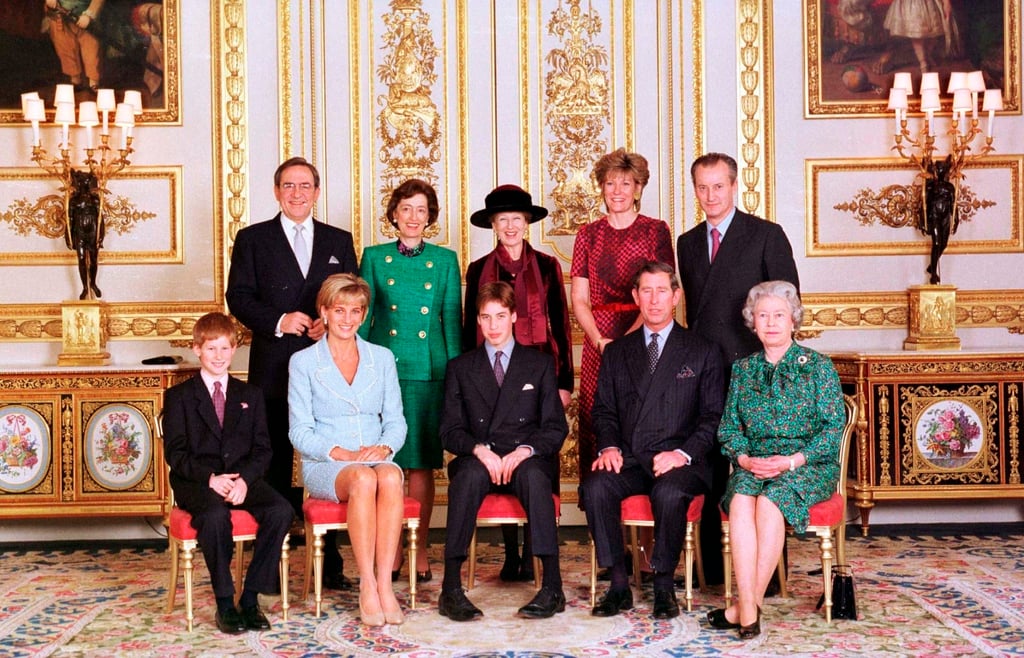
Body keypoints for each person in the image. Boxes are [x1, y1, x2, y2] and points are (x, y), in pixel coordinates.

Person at [226, 156, 358, 591]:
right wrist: (280, 319)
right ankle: (273, 568)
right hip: (274, 367)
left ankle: (332, 565)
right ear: (276, 191)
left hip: (328, 365)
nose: (297, 193)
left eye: (305, 186)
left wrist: (328, 320)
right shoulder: (253, 239)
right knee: (275, 463)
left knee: (328, 457)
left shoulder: (339, 239)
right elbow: (238, 297)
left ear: (317, 193)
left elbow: (350, 294)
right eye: (288, 185)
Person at [676, 151, 799, 588]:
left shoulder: (766, 235)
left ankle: (769, 575)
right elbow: (692, 315)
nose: (710, 195)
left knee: (763, 467)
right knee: (707, 463)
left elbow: (785, 307)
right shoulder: (687, 242)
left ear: (734, 186)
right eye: (702, 187)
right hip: (704, 372)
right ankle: (708, 568)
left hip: (757, 373)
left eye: (718, 186)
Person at [583, 261, 724, 620]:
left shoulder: (702, 350)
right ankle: (617, 585)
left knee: (669, 493)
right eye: (646, 291)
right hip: (630, 457)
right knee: (597, 486)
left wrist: (681, 454)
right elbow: (603, 411)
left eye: (662, 291)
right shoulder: (617, 351)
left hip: (681, 461)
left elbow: (713, 417)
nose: (655, 299)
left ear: (676, 296)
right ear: (635, 297)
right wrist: (609, 446)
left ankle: (663, 585)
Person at [706, 281, 844, 639]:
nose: (770, 322)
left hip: (807, 465)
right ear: (752, 321)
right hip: (755, 462)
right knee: (740, 499)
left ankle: (745, 607)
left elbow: (832, 431)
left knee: (770, 502)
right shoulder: (744, 369)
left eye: (779, 315)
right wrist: (744, 458)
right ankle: (749, 608)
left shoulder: (818, 366)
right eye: (762, 315)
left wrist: (792, 461)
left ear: (793, 320)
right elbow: (728, 428)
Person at [438, 282, 569, 622]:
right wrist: (479, 450)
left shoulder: (538, 364)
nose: (493, 325)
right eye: (486, 318)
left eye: (500, 316)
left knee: (537, 479)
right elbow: (449, 431)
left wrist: (525, 450)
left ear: (513, 316)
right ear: (478, 322)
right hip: (480, 458)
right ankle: (450, 588)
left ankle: (552, 586)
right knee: (465, 478)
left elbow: (555, 427)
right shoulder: (460, 367)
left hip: (524, 458)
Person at [464, 184, 572, 582]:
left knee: (537, 459)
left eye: (517, 220)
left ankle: (534, 550)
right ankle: (511, 551)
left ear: (527, 224)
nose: (510, 227)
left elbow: (560, 323)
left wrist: (563, 382)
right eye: (502, 220)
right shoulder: (478, 270)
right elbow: (467, 329)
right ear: (493, 225)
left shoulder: (547, 266)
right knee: (497, 452)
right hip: (491, 377)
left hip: (540, 375)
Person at [162, 312, 294, 634]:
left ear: (234, 349)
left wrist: (245, 481)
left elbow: (263, 449)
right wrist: (211, 479)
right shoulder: (179, 397)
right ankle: (224, 602)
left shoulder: (250, 395)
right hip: (197, 480)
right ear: (197, 349)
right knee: (215, 517)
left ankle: (249, 599)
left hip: (240, 477)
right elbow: (175, 454)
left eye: (224, 349)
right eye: (211, 349)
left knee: (281, 510)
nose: (218, 356)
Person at [288, 274, 408, 627]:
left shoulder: (382, 358)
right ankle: (366, 585)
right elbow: (299, 430)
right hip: (327, 463)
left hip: (374, 456)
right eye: (339, 310)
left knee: (388, 475)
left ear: (364, 314)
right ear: (323, 312)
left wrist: (385, 446)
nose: (347, 319)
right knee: (362, 479)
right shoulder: (304, 363)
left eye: (356, 311)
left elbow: (397, 422)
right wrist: (336, 452)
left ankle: (385, 584)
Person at [359, 179, 461, 583]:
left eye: (421, 210)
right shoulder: (373, 257)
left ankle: (418, 547)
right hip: (384, 371)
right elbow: (364, 322)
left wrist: (455, 379)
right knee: (389, 462)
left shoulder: (445, 260)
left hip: (428, 373)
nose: (413, 217)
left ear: (429, 216)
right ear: (394, 215)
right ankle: (392, 547)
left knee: (420, 465)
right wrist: (358, 374)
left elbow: (451, 322)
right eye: (406, 209)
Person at [570, 148, 674, 484]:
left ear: (639, 188)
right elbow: (579, 298)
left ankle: (644, 513)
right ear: (601, 187)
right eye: (610, 183)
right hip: (597, 339)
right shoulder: (588, 234)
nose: (617, 190)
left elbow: (663, 292)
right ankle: (602, 513)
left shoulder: (654, 231)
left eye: (625, 183)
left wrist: (629, 340)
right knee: (595, 416)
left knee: (643, 412)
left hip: (647, 333)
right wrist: (601, 341)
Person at [44, 0, 104, 92]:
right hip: (61, 16)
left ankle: (93, 83)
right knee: (65, 48)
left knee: (91, 50)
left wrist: (89, 15)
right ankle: (75, 81)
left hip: (86, 20)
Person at [65, 169, 103, 300]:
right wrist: (67, 235)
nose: (83, 185)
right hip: (79, 232)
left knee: (93, 259)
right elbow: (69, 219)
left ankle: (92, 283)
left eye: (85, 182)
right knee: (81, 259)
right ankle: (84, 287)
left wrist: (100, 236)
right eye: (81, 182)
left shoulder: (95, 199)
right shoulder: (73, 200)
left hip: (92, 231)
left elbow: (100, 219)